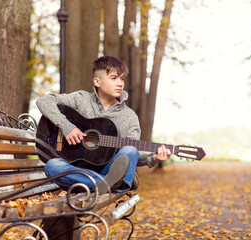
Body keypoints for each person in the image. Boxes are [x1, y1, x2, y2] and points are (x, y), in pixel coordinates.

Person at [36, 56, 171, 195]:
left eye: (122, 78)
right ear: (97, 81)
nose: (119, 83)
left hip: (108, 169)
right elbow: (44, 101)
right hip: (77, 169)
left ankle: (110, 181)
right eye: (113, 78)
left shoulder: (129, 116)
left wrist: (153, 158)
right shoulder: (81, 99)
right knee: (52, 166)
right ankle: (111, 183)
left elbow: (135, 155)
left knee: (130, 150)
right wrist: (67, 127)